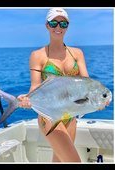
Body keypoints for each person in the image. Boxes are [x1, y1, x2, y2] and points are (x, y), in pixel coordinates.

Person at [17, 8, 89, 162]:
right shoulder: (37, 55)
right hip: (48, 116)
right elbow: (35, 86)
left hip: (70, 115)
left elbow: (87, 84)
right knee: (74, 161)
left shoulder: (77, 53)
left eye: (63, 23)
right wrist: (27, 99)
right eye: (54, 23)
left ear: (67, 26)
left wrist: (98, 100)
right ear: (47, 26)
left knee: (60, 160)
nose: (58, 27)